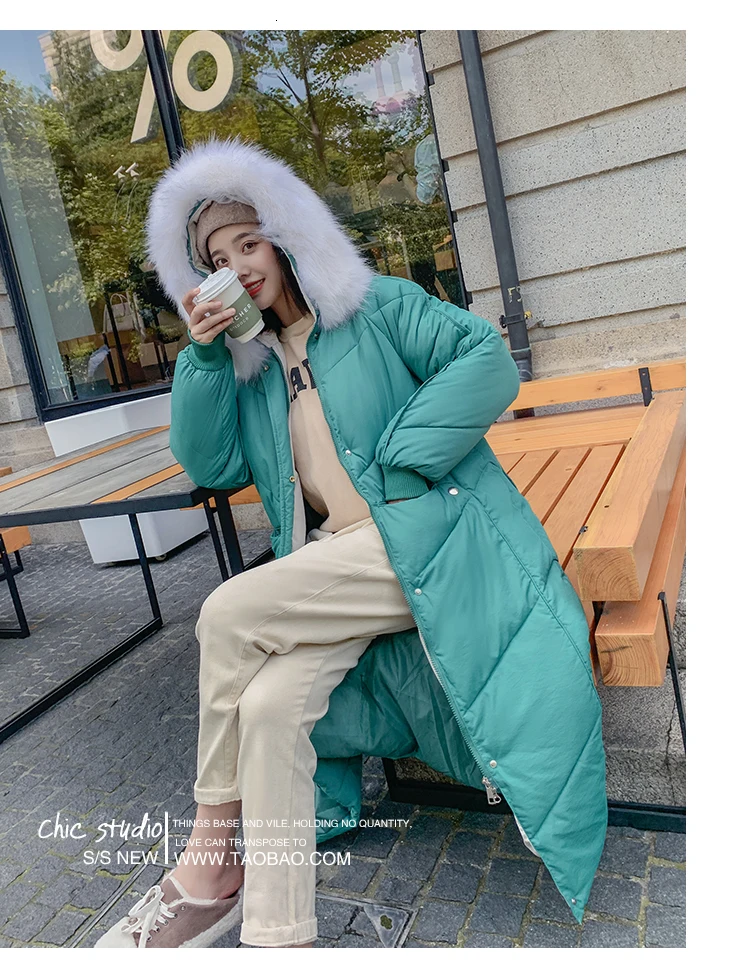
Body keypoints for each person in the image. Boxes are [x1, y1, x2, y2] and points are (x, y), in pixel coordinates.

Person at [97, 137, 608, 948]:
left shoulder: (378, 309)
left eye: (248, 243)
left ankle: (207, 861)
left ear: (286, 238)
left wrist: (404, 460)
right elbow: (210, 464)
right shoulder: (254, 371)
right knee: (267, 708)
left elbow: (487, 360)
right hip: (335, 564)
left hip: (422, 545)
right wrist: (203, 357)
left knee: (226, 613)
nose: (237, 266)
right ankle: (278, 931)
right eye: (217, 259)